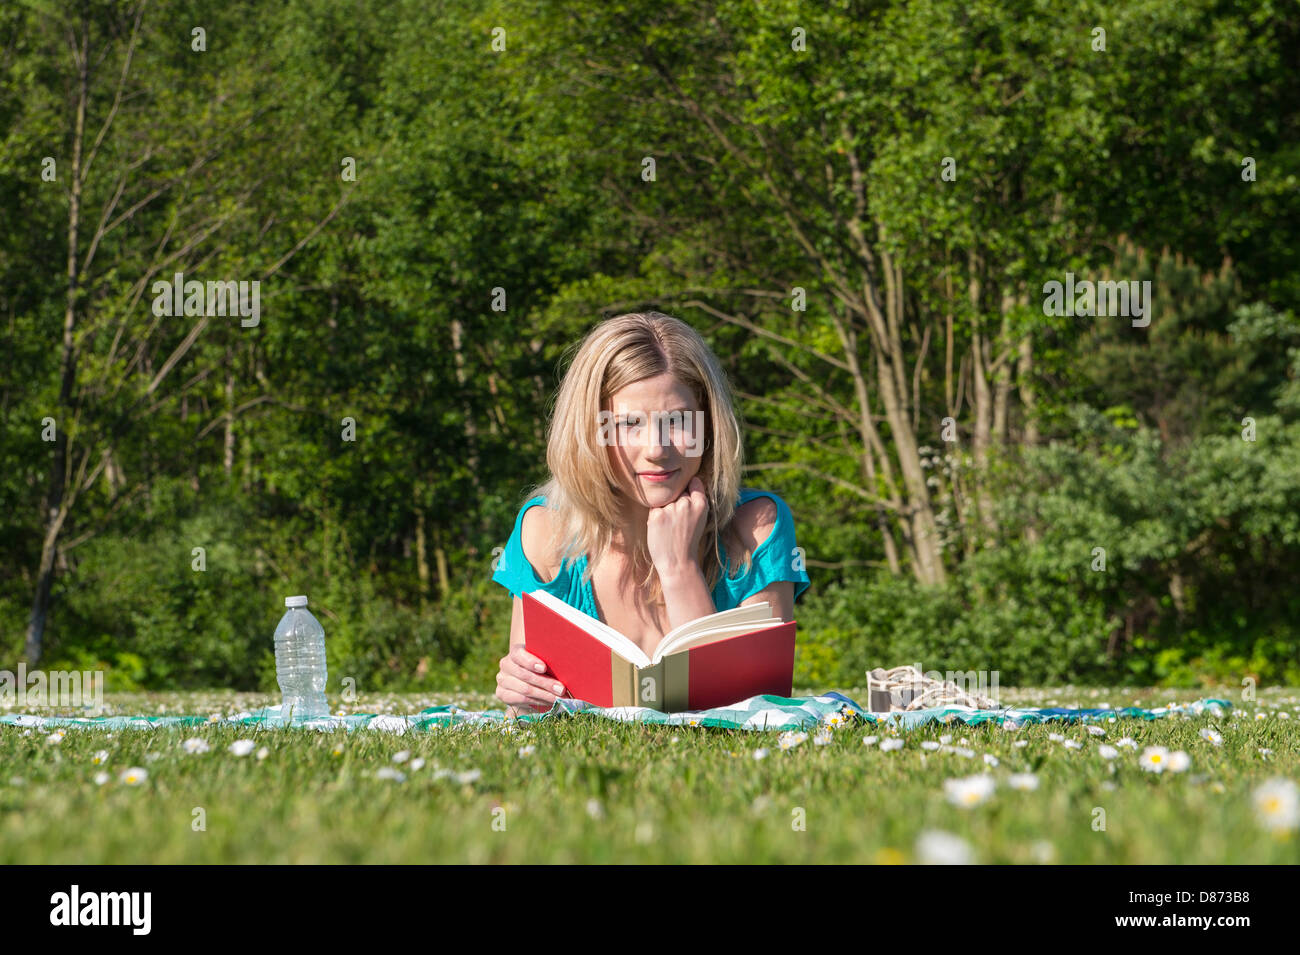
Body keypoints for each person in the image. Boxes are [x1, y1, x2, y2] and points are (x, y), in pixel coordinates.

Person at [491, 311, 811, 717]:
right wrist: (522, 687)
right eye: (628, 424)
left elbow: (754, 712)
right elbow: (530, 712)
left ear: (709, 427)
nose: (657, 449)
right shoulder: (545, 531)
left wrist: (678, 567)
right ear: (590, 432)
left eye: (678, 421)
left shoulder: (757, 528)